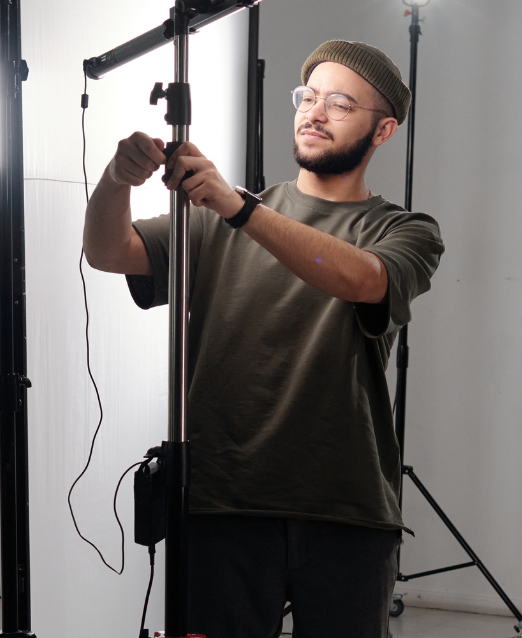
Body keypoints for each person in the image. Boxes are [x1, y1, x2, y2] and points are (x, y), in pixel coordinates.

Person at [83, 40, 444, 638]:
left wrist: (236, 206)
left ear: (383, 131)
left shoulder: (402, 230)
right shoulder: (216, 221)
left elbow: (361, 278)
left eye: (340, 102)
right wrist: (117, 180)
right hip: (223, 501)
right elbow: (106, 251)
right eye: (308, 97)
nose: (315, 112)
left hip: (344, 506)